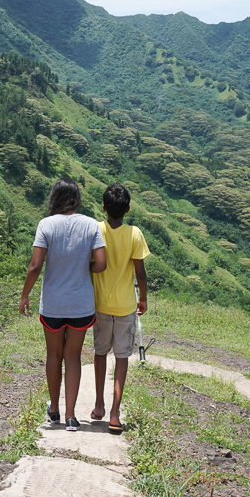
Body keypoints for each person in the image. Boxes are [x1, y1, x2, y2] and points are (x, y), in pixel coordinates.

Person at [20, 178, 106, 431]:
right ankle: (71, 416)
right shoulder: (91, 225)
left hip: (54, 305)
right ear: (77, 198)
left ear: (54, 198)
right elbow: (101, 264)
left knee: (53, 355)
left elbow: (35, 266)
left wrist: (25, 295)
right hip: (81, 305)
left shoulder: (46, 225)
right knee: (73, 357)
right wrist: (82, 268)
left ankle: (54, 412)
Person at [90, 183, 150, 434]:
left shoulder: (95, 229)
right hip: (125, 306)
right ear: (128, 209)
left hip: (99, 304)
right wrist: (143, 299)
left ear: (103, 207)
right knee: (122, 358)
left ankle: (99, 405)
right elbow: (141, 272)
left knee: (100, 354)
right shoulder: (135, 234)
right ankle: (115, 413)